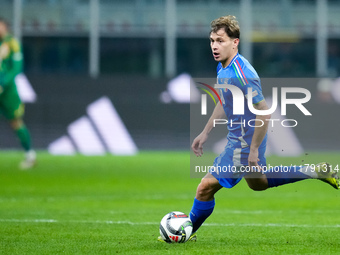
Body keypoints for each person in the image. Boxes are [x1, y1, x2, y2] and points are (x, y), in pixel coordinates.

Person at [158, 15, 339, 242]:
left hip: (244, 141)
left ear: (235, 42)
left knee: (204, 187)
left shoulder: (243, 74)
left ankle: (186, 231)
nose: (215, 45)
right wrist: (205, 132)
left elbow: (264, 111)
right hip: (241, 138)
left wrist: (252, 149)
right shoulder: (223, 67)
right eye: (212, 40)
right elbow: (225, 101)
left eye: (221, 41)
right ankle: (315, 171)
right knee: (258, 183)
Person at [0, 18, 36, 169]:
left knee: (15, 121)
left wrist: (3, 83)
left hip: (7, 90)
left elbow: (16, 67)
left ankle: (30, 155)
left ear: (5, 26)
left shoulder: (12, 43)